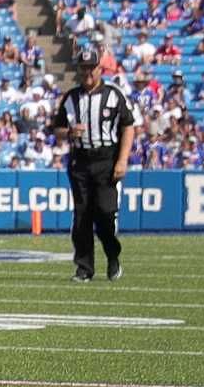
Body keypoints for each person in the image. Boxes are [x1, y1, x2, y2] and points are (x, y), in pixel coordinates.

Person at [52, 47, 139, 282]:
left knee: (105, 213)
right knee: (82, 216)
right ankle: (84, 267)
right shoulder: (71, 98)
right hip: (80, 161)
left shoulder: (113, 95)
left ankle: (112, 255)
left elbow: (128, 126)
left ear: (100, 69)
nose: (87, 72)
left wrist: (122, 159)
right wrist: (69, 132)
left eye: (91, 67)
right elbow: (57, 129)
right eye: (83, 68)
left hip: (106, 160)